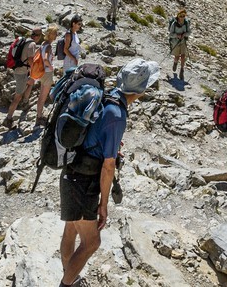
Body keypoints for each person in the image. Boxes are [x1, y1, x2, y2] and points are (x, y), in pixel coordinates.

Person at [59, 59, 160, 287]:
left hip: (70, 170)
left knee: (71, 229)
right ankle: (66, 283)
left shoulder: (106, 95)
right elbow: (108, 164)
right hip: (84, 182)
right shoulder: (117, 114)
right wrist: (104, 204)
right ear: (141, 90)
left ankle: (70, 275)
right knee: (92, 242)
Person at [2, 28, 42, 129]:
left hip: (20, 70)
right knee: (17, 97)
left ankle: (25, 102)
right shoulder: (32, 44)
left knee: (31, 82)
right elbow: (30, 60)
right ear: (37, 36)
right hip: (22, 72)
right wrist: (34, 71)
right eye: (40, 35)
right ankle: (8, 119)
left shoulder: (26, 41)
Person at [166, 10, 190, 79]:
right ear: (178, 16)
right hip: (175, 42)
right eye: (181, 16)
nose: (182, 17)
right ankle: (175, 63)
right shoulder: (174, 24)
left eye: (183, 16)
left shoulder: (186, 23)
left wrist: (184, 34)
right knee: (177, 56)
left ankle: (182, 70)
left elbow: (189, 32)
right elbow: (170, 34)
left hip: (183, 42)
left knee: (183, 56)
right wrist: (177, 35)